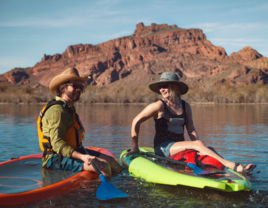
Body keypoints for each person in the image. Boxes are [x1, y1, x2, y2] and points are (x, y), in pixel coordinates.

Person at [126, 71, 256, 174]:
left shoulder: (185, 106)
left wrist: (199, 148)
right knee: (198, 144)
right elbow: (135, 121)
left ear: (175, 87)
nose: (162, 89)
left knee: (209, 149)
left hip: (179, 147)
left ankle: (227, 169)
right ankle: (233, 166)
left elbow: (191, 129)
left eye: (165, 86)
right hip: (163, 148)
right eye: (160, 87)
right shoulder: (158, 106)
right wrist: (134, 147)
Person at [37, 67, 123, 178]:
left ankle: (125, 184)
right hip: (55, 158)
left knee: (111, 161)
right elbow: (57, 144)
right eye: (75, 86)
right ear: (63, 88)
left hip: (72, 153)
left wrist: (81, 155)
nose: (79, 89)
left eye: (81, 86)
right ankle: (96, 193)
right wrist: (82, 157)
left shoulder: (68, 108)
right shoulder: (57, 112)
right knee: (104, 166)